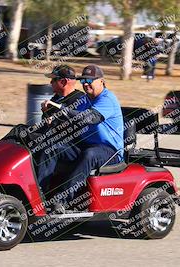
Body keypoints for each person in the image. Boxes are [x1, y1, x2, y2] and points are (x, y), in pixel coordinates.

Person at [36, 65, 124, 212]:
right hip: (86, 145)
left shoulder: (107, 99)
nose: (86, 84)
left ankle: (61, 200)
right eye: (83, 81)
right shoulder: (84, 100)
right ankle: (38, 194)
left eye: (90, 80)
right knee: (52, 147)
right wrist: (48, 114)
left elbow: (90, 117)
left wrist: (61, 110)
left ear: (101, 81)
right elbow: (67, 119)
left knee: (89, 155)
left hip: (110, 151)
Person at [2, 65, 84, 155]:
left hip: (59, 140)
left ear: (63, 81)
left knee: (19, 132)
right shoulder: (56, 97)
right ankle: (2, 156)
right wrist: (45, 112)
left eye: (54, 80)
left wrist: (53, 121)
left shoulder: (79, 99)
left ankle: (1, 156)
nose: (50, 82)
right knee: (18, 130)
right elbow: (46, 122)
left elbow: (74, 125)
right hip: (46, 134)